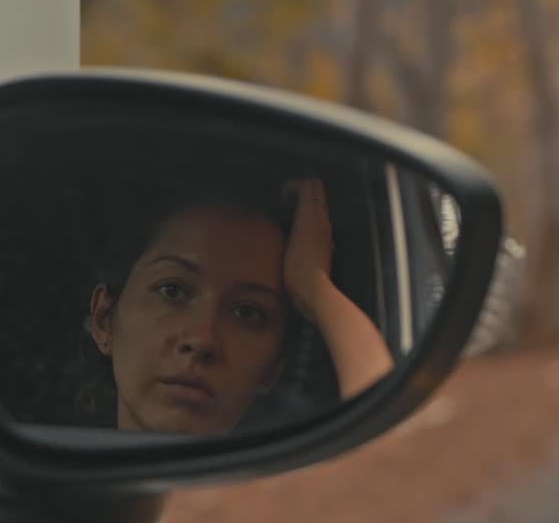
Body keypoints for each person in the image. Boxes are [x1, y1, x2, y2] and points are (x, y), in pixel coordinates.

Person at [84, 178, 392, 435]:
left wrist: (315, 287)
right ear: (104, 319)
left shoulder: (292, 493)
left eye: (248, 313)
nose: (203, 339)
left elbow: (391, 444)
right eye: (172, 291)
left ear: (275, 367)